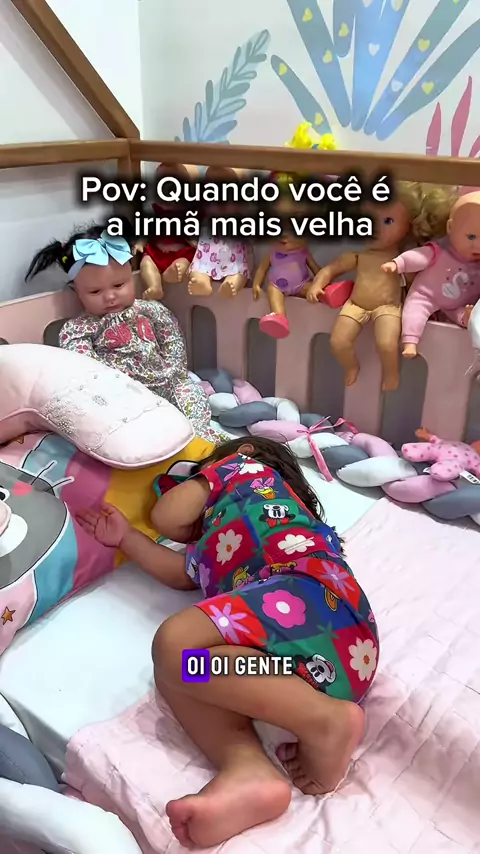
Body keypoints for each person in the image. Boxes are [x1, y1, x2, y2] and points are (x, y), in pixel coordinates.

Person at [76, 437, 378, 849]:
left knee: (177, 644)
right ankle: (248, 769)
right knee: (182, 673)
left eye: (200, 473)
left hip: (308, 597)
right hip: (310, 663)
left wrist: (202, 479)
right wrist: (126, 537)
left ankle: (324, 720)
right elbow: (179, 574)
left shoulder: (243, 470)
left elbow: (166, 517)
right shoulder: (214, 548)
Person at [25, 224, 226, 445]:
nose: (110, 296)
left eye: (119, 285)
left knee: (192, 393)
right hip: (126, 398)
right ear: (77, 292)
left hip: (169, 383)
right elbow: (87, 368)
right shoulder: (79, 329)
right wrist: (121, 388)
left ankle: (201, 437)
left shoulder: (149, 309)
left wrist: (174, 371)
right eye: (95, 291)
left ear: (131, 275)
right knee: (114, 422)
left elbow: (171, 337)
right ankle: (163, 442)